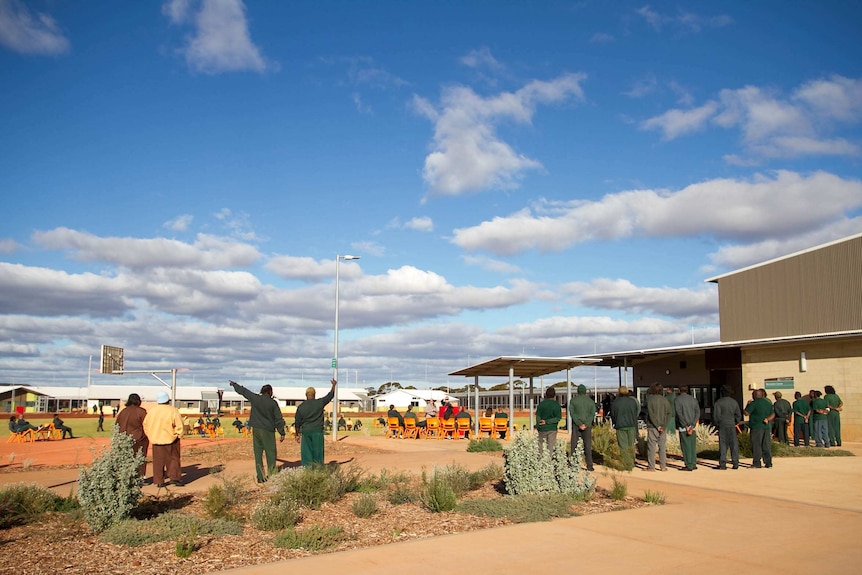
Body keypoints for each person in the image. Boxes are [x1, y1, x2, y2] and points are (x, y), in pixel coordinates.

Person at [229, 380, 287, 482]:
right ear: (270, 392)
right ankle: (272, 475)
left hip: (256, 429)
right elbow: (278, 419)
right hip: (268, 430)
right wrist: (281, 432)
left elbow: (244, 391)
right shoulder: (273, 403)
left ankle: (260, 477)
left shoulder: (255, 398)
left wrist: (234, 385)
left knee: (258, 454)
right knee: (271, 453)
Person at [142, 391, 184, 487]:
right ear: (167, 400)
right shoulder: (173, 410)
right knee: (173, 459)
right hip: (171, 439)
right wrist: (178, 434)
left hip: (156, 439)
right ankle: (175, 478)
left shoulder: (152, 411)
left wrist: (150, 435)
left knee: (157, 461)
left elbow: (146, 425)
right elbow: (179, 425)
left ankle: (159, 481)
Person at [293, 379, 337, 467]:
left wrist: (297, 434)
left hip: (306, 432)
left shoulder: (301, 407)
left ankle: (308, 471)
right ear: (314, 394)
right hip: (317, 431)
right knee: (318, 452)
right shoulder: (319, 403)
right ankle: (318, 470)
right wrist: (333, 386)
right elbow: (329, 396)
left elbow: (297, 422)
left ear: (306, 395)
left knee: (306, 454)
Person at [116, 393, 149, 478]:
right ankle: (140, 476)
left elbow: (117, 425)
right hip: (139, 439)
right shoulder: (141, 411)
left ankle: (126, 477)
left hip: (124, 439)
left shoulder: (123, 411)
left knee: (126, 458)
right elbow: (147, 425)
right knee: (140, 457)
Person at [712, 386, 742, 470]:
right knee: (733, 444)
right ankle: (735, 463)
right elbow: (738, 415)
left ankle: (723, 463)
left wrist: (718, 424)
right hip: (731, 425)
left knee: (723, 444)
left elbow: (716, 416)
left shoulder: (719, 402)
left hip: (722, 425)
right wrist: (735, 422)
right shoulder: (734, 402)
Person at [610, 386, 639, 471]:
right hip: (631, 426)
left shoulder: (616, 402)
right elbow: (636, 413)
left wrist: (615, 422)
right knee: (631, 445)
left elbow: (613, 414)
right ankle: (632, 462)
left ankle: (626, 463)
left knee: (623, 446)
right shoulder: (632, 401)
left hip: (620, 426)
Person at [644, 382, 672, 472]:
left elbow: (651, 414)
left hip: (652, 426)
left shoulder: (650, 400)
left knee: (651, 447)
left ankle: (651, 466)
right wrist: (664, 425)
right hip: (663, 427)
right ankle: (663, 466)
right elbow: (669, 413)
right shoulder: (665, 400)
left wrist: (657, 426)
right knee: (662, 447)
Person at [569, 384, 596, 471]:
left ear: (578, 391)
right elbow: (592, 414)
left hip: (576, 425)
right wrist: (586, 423)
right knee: (587, 445)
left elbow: (572, 413)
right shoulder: (590, 401)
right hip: (587, 426)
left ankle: (573, 464)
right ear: (585, 391)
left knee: (574, 445)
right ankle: (589, 465)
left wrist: (578, 423)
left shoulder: (573, 401)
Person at [745, 389, 775, 468]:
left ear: (754, 396)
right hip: (766, 427)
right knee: (766, 445)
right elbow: (773, 414)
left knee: (756, 445)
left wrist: (747, 405)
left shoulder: (754, 403)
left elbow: (746, 413)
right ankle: (768, 463)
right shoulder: (768, 403)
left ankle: (757, 463)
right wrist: (767, 419)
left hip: (756, 427)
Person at [674, 385, 700, 471]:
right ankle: (693, 463)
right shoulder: (693, 399)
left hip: (683, 427)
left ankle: (688, 464)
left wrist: (685, 425)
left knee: (685, 446)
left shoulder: (678, 400)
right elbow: (697, 413)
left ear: (679, 390)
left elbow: (679, 413)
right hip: (693, 426)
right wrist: (692, 425)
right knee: (692, 445)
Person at [536, 387, 561, 455]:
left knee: (540, 447)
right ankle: (549, 463)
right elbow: (558, 418)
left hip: (542, 428)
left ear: (546, 394)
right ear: (554, 395)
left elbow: (538, 417)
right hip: (552, 429)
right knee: (550, 447)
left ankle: (540, 462)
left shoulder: (541, 404)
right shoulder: (557, 405)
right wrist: (548, 421)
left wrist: (538, 426)